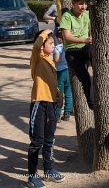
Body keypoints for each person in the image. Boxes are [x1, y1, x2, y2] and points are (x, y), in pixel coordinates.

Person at [27, 28, 65, 188]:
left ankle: (48, 170)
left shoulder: (50, 61)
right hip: (39, 103)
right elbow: (36, 46)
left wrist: (59, 96)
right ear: (42, 45)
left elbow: (51, 83)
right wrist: (45, 32)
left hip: (51, 104)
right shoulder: (37, 58)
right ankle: (31, 176)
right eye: (50, 43)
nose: (53, 44)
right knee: (38, 141)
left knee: (50, 139)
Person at [60, 0, 93, 108]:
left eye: (85, 4)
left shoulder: (87, 14)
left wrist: (90, 38)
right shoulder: (67, 16)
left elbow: (92, 30)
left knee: (92, 53)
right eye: (80, 4)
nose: (83, 7)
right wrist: (85, 40)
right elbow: (67, 37)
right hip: (72, 51)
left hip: (85, 48)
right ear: (73, 3)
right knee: (85, 78)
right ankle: (90, 101)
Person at [53, 29, 73, 122]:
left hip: (60, 72)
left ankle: (57, 115)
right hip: (69, 70)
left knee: (59, 93)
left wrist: (53, 65)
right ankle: (67, 114)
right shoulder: (70, 46)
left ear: (59, 38)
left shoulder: (58, 48)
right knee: (68, 93)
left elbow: (56, 60)